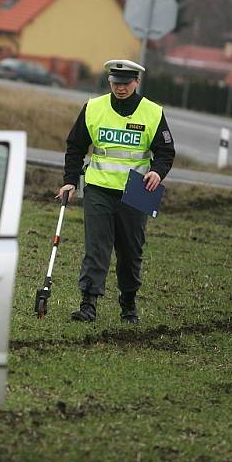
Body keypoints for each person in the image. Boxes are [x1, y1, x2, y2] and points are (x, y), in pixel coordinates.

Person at [56, 59, 175, 324]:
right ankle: (88, 304)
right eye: (115, 83)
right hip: (98, 189)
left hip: (136, 191)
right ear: (110, 82)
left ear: (136, 82)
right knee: (96, 248)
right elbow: (75, 147)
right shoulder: (93, 108)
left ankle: (128, 304)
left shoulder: (153, 112)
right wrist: (70, 181)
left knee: (131, 251)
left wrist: (157, 171)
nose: (120, 88)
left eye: (126, 83)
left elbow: (166, 151)